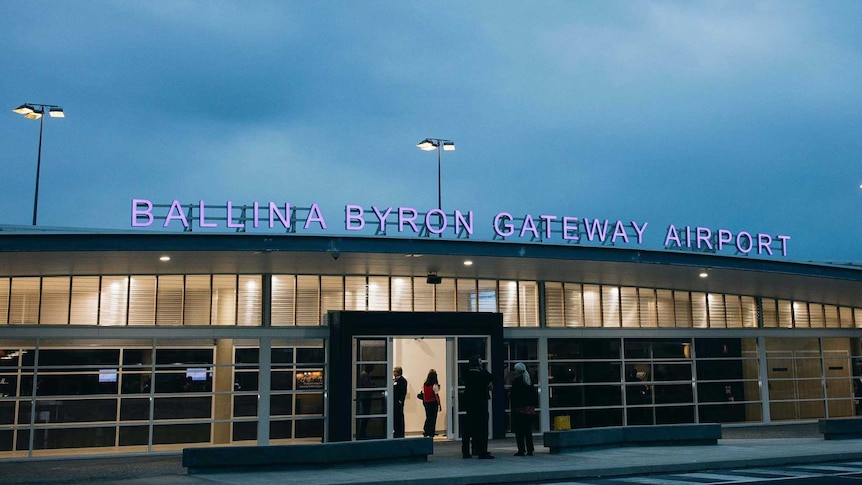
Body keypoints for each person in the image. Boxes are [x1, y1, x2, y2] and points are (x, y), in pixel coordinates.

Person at [462, 355, 494, 459]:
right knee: (482, 429)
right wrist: (482, 369)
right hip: (481, 404)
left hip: (469, 404)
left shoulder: (466, 374)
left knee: (468, 430)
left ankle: (466, 451)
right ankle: (482, 451)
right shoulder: (482, 375)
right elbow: (491, 380)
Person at [509, 362, 536, 456]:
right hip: (528, 408)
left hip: (519, 408)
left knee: (519, 430)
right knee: (528, 430)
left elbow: (513, 395)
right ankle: (530, 449)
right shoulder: (529, 380)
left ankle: (521, 449)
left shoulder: (517, 381)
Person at [421, 369, 442, 437]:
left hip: (426, 402)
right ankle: (431, 431)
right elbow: (436, 396)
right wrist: (439, 404)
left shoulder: (425, 384)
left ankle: (426, 430)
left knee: (428, 417)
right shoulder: (434, 385)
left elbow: (423, 394)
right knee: (433, 418)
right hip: (433, 402)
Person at [357, 364, 373, 439]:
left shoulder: (363, 374)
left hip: (365, 397)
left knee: (365, 415)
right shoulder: (364, 375)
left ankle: (362, 432)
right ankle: (362, 433)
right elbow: (367, 386)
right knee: (366, 415)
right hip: (365, 397)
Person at [393, 366, 408, 438]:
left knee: (399, 417)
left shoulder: (402, 380)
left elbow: (403, 391)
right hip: (394, 402)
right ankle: (395, 432)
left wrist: (400, 400)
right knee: (395, 418)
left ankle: (400, 433)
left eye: (395, 371)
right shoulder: (394, 380)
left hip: (398, 402)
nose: (393, 373)